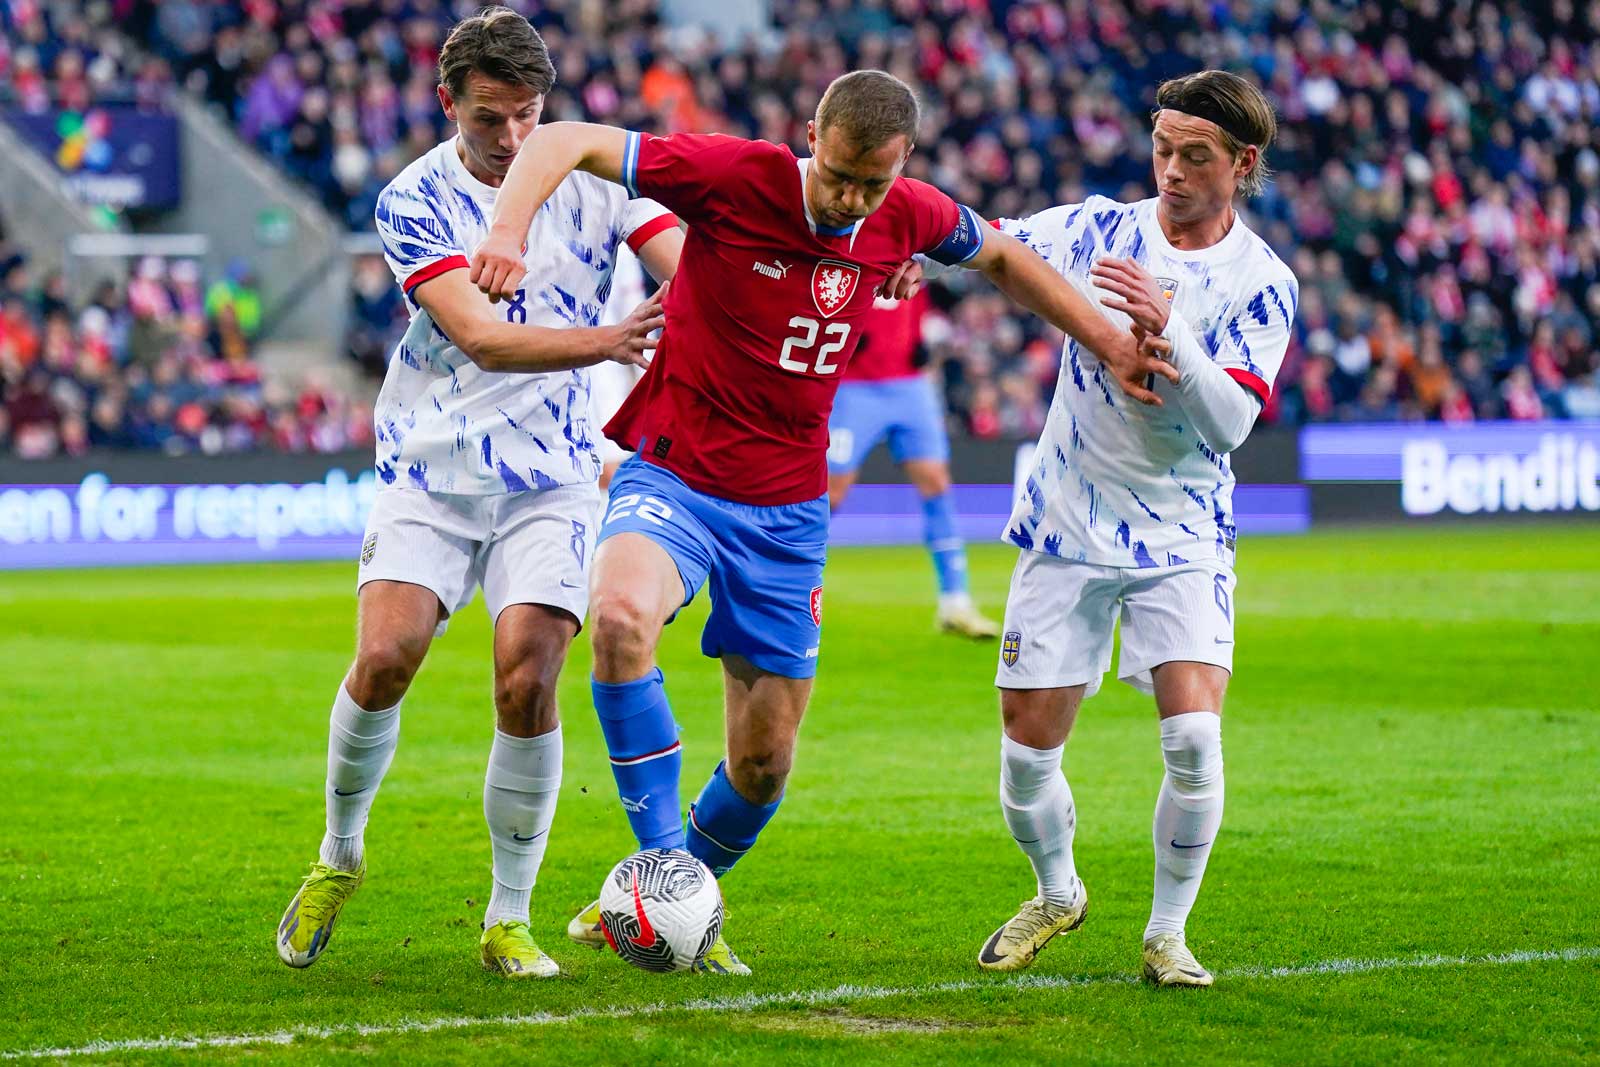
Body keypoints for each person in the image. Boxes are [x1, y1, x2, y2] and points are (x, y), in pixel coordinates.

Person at [471, 69, 1172, 975]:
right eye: (838, 175)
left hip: (787, 508)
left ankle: (676, 885)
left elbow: (1001, 256)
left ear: (903, 164)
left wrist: (1110, 341)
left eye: (871, 185)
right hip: (676, 467)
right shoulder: (737, 176)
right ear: (811, 137)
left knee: (763, 765)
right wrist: (506, 229)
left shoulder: (907, 214)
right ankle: (663, 873)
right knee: (615, 619)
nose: (850, 200)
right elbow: (567, 140)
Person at [273, 6, 683, 980]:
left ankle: (506, 916)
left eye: (526, 116)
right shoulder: (412, 199)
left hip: (554, 476)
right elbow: (483, 336)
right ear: (448, 101)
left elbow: (686, 263)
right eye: (490, 118)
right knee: (385, 657)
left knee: (525, 672)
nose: (509, 139)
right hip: (433, 465)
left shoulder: (595, 178)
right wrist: (614, 340)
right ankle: (340, 852)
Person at [974, 71, 1297, 988]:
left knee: (1194, 740)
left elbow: (1232, 424)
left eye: (1196, 156)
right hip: (1068, 521)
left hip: (1185, 535)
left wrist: (1171, 331)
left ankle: (1167, 934)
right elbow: (988, 244)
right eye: (1163, 149)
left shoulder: (1263, 281)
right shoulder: (1093, 229)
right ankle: (1057, 889)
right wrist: (913, 249)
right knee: (1026, 750)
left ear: (1243, 163)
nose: (1173, 171)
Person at [826, 291, 1000, 638]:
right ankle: (783, 588)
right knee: (828, 493)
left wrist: (920, 340)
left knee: (935, 481)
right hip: (853, 385)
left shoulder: (913, 251)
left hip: (909, 384)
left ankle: (956, 601)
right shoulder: (851, 244)